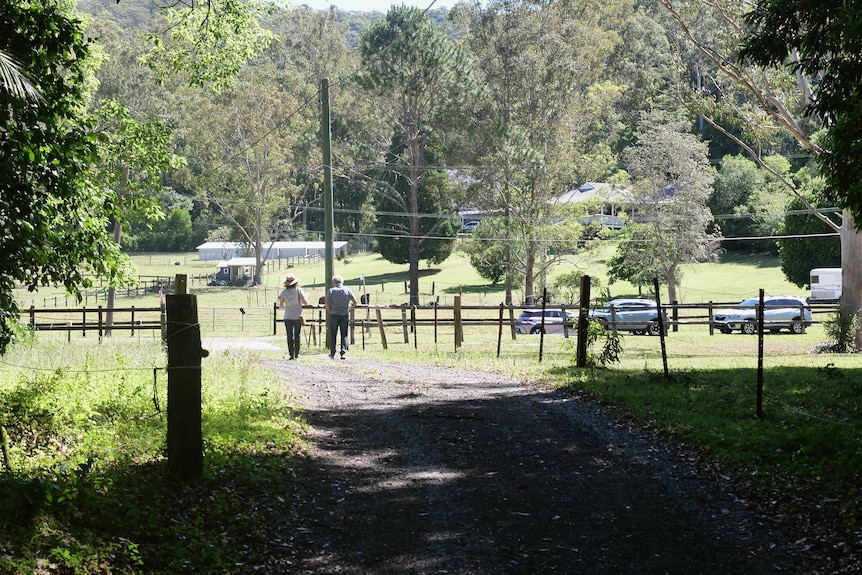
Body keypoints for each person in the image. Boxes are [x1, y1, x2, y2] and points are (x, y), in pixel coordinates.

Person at [324, 274, 357, 359]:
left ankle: (332, 352)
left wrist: (329, 310)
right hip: (344, 314)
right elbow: (355, 301)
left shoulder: (331, 291)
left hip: (334, 314)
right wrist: (350, 309)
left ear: (333, 282)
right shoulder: (348, 290)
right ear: (342, 282)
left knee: (333, 334)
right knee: (344, 334)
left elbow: (326, 302)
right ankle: (343, 352)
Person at [278, 274, 308, 360]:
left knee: (289, 335)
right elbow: (305, 302)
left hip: (287, 316)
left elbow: (281, 305)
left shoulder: (284, 292)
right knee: (297, 335)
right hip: (297, 315)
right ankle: (297, 353)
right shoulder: (299, 290)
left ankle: (291, 354)